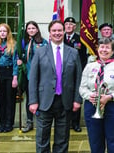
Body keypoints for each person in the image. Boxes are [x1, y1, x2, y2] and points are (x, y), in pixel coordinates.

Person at [28, 20, 82, 152]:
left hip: (65, 101)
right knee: (42, 138)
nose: (57, 33)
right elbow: (33, 78)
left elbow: (78, 78)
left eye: (59, 30)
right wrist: (33, 101)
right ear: (50, 33)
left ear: (64, 32)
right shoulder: (40, 52)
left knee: (62, 139)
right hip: (44, 101)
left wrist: (77, 99)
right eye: (54, 31)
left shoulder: (73, 53)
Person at [79, 37, 114, 153]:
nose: (104, 50)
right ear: (98, 49)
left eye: (107, 48)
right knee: (95, 142)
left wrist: (109, 96)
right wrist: (90, 96)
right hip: (92, 107)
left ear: (112, 51)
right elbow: (82, 88)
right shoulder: (89, 66)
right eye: (102, 47)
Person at [17, 21, 48, 133]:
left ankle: (41, 121)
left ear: (37, 29)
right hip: (27, 74)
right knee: (30, 99)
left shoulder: (43, 42)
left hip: (41, 75)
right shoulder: (23, 42)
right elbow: (19, 55)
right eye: (29, 28)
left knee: (41, 98)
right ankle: (29, 122)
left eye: (33, 28)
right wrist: (19, 61)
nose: (31, 30)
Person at [0, 23, 18, 133]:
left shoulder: (13, 44)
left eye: (4, 31)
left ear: (8, 32)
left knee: (9, 99)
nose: (2, 33)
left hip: (9, 72)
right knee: (0, 100)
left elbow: (15, 62)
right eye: (0, 31)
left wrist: (15, 77)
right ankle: (2, 123)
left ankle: (9, 123)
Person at [63, 17, 87, 132]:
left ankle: (76, 123)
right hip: (63, 73)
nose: (68, 26)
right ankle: (66, 122)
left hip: (76, 72)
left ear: (75, 26)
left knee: (76, 98)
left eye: (71, 24)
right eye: (66, 24)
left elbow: (83, 58)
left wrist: (81, 72)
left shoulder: (80, 39)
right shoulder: (60, 38)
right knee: (65, 98)